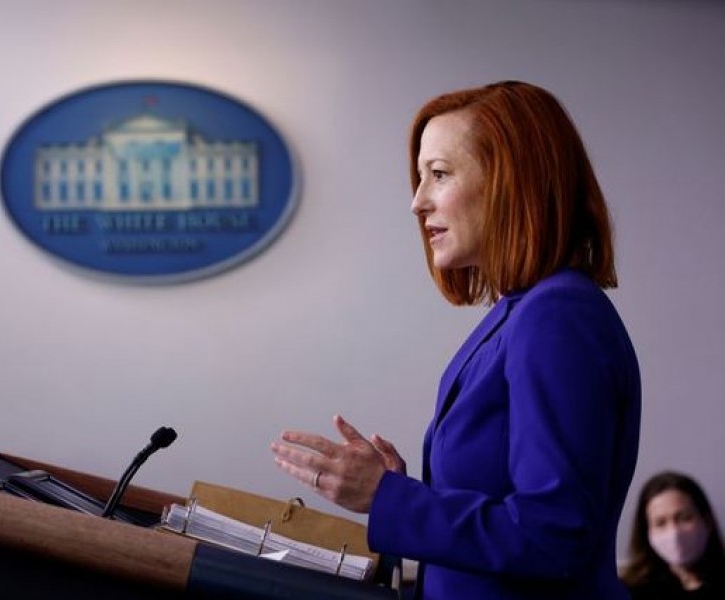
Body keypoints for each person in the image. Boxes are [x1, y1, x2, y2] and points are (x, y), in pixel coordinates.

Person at [270, 80, 642, 599]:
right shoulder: (520, 313)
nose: (417, 203)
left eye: (439, 175)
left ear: (514, 182)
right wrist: (402, 490)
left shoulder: (558, 315)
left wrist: (389, 499)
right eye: (420, 179)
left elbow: (554, 537)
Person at [621, 471, 725, 599]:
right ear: (646, 532)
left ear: (707, 521)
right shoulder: (629, 591)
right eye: (660, 523)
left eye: (685, 518)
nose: (674, 532)